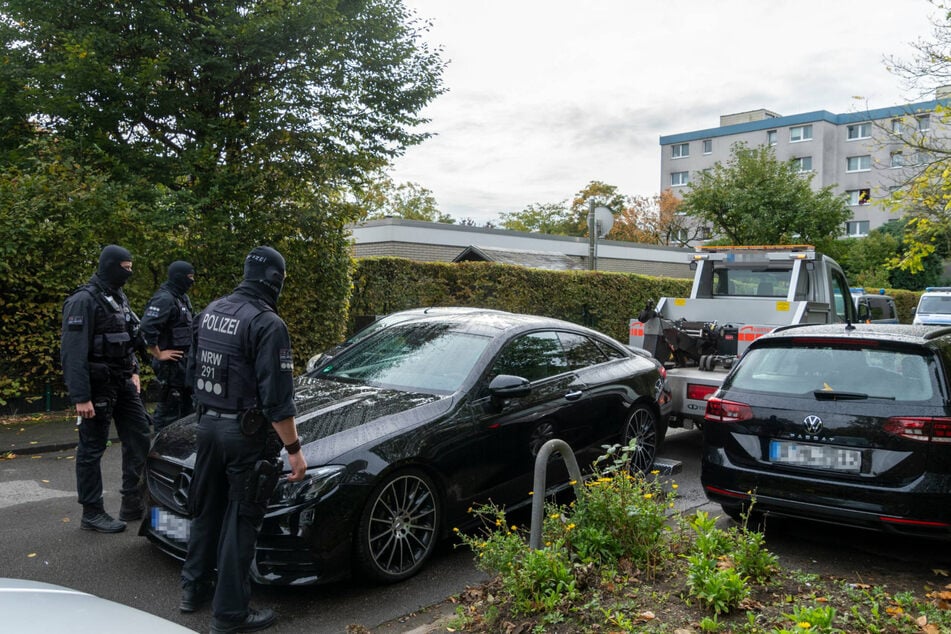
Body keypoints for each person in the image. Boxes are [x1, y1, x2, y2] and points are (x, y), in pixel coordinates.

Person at [180, 246, 306, 634]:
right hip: (244, 435)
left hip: (207, 426)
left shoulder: (212, 310)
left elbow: (190, 372)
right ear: (275, 280)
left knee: (207, 509)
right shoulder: (268, 324)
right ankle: (231, 614)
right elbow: (277, 401)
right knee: (241, 521)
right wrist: (294, 451)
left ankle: (193, 590)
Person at [60, 244, 152, 533]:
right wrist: (81, 397)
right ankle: (92, 512)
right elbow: (72, 353)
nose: (129, 273)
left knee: (139, 436)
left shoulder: (117, 297)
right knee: (91, 449)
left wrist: (135, 370)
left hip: (123, 382)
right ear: (110, 265)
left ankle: (132, 501)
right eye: (125, 268)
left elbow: (127, 336)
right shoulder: (83, 301)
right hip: (97, 389)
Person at [140, 260, 196, 430]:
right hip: (170, 367)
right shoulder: (164, 298)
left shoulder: (181, 297)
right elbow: (147, 327)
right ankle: (160, 450)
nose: (192, 281)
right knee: (168, 414)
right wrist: (158, 353)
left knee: (186, 412)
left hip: (183, 365)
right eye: (189, 277)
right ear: (179, 277)